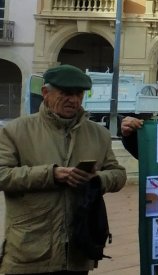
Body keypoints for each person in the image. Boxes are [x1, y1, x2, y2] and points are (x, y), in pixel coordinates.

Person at [0, 65, 127, 273]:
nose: (74, 100)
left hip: (79, 248)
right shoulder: (16, 131)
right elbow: (2, 174)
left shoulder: (98, 134)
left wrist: (96, 179)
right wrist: (51, 175)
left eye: (79, 94)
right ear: (45, 93)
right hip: (30, 248)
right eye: (66, 93)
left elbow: (118, 174)